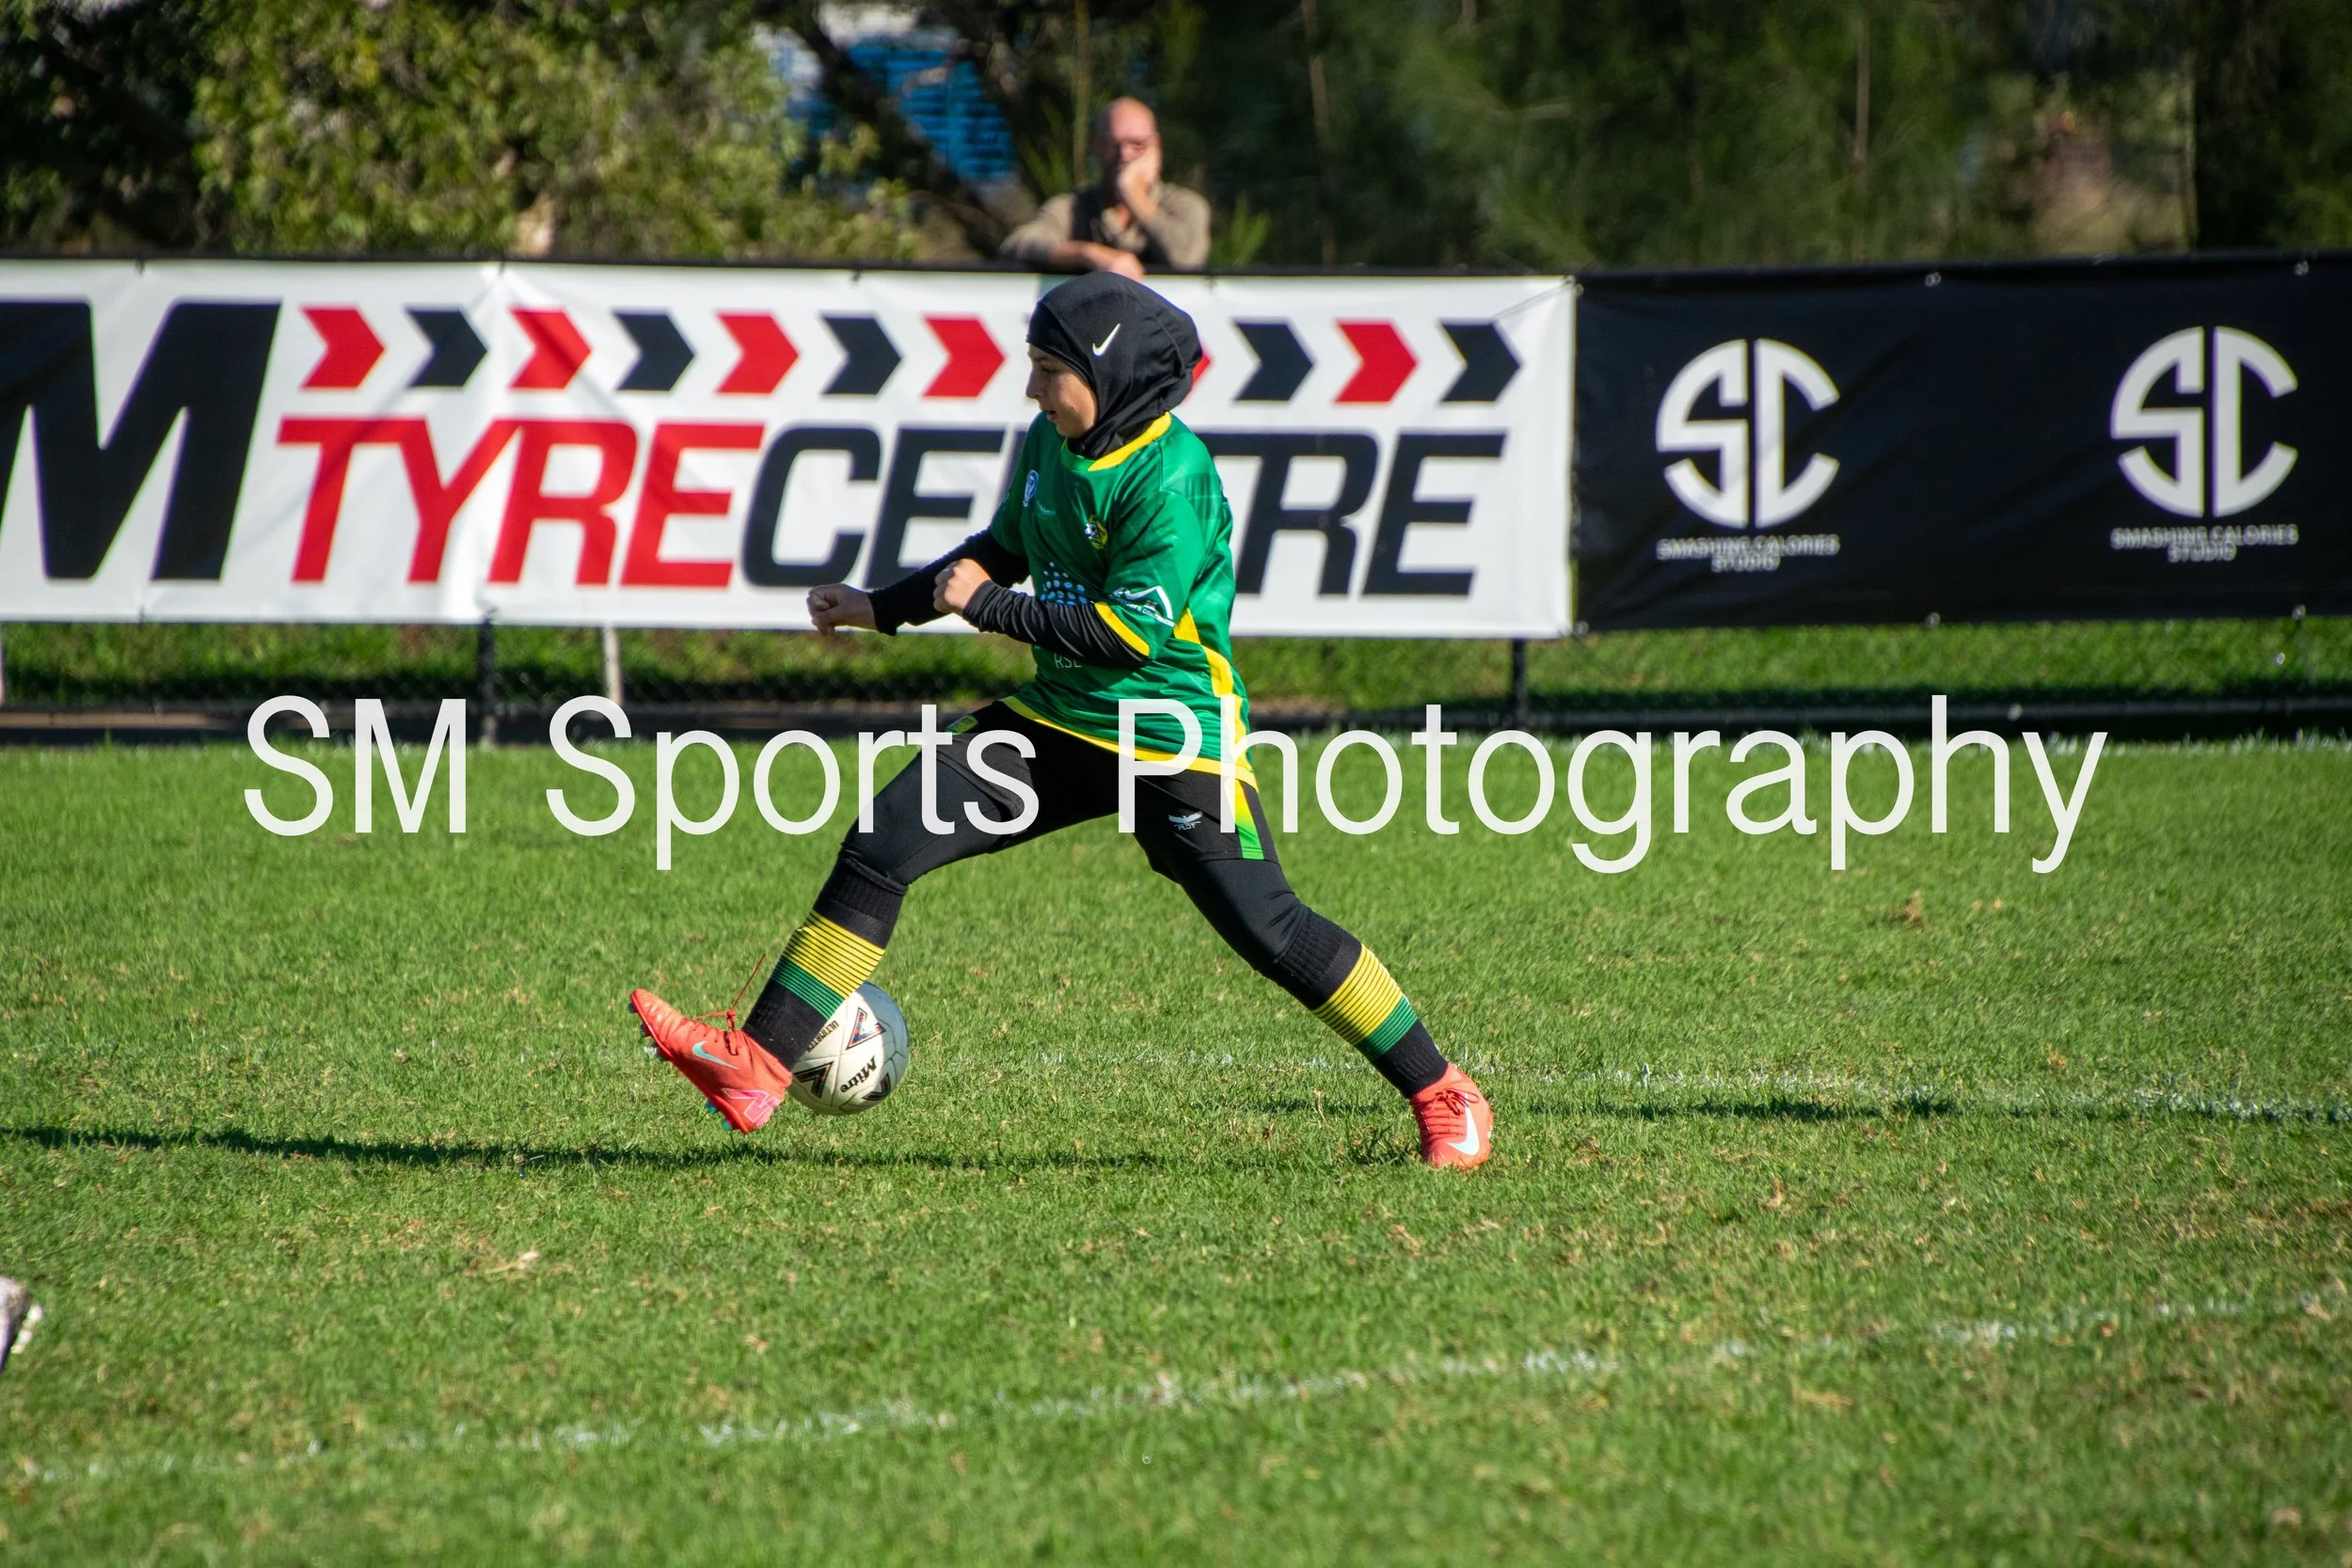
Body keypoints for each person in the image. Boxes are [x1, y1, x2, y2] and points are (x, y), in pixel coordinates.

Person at [628, 275, 1491, 1169]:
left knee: (1267, 926)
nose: (1032, 387)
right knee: (887, 838)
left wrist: (989, 608)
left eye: (1050, 369)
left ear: (1111, 377)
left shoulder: (1174, 478)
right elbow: (1002, 548)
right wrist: (880, 608)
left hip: (1171, 738)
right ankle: (756, 1065)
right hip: (1062, 719)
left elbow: (1125, 635)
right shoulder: (1055, 440)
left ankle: (1444, 1091)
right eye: (1033, 364)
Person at [999, 98, 1211, 278]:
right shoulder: (1075, 207)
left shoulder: (1184, 205)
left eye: (1137, 145)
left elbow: (1188, 260)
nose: (1124, 155)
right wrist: (1088, 253)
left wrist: (1132, 194)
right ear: (1097, 146)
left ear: (1156, 146)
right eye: (1113, 145)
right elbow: (1018, 245)